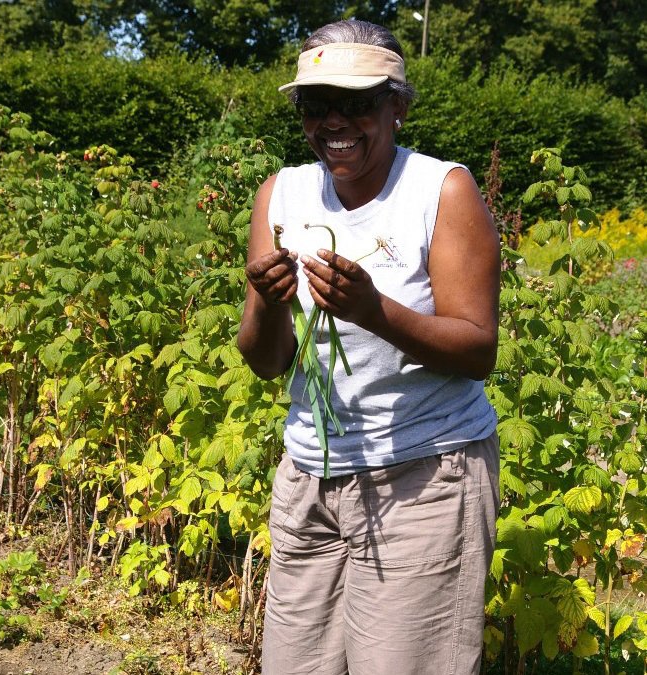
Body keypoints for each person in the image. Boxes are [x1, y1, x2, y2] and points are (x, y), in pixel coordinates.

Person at [237, 18, 501, 675]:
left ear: (397, 107)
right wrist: (270, 305)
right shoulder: (282, 195)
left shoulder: (440, 191)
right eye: (314, 104)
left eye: (355, 102)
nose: (334, 121)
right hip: (309, 476)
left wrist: (373, 311)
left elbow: (476, 349)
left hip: (422, 475)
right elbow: (266, 359)